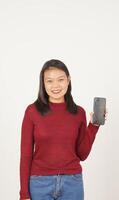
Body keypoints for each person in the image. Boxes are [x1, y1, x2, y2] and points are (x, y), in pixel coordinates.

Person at [19, 59, 107, 200]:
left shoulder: (78, 113)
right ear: (43, 83)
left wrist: (93, 126)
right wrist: (24, 194)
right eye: (49, 81)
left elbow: (82, 154)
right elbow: (26, 156)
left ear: (68, 80)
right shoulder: (32, 112)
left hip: (72, 183)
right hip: (40, 183)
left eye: (60, 79)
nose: (55, 86)